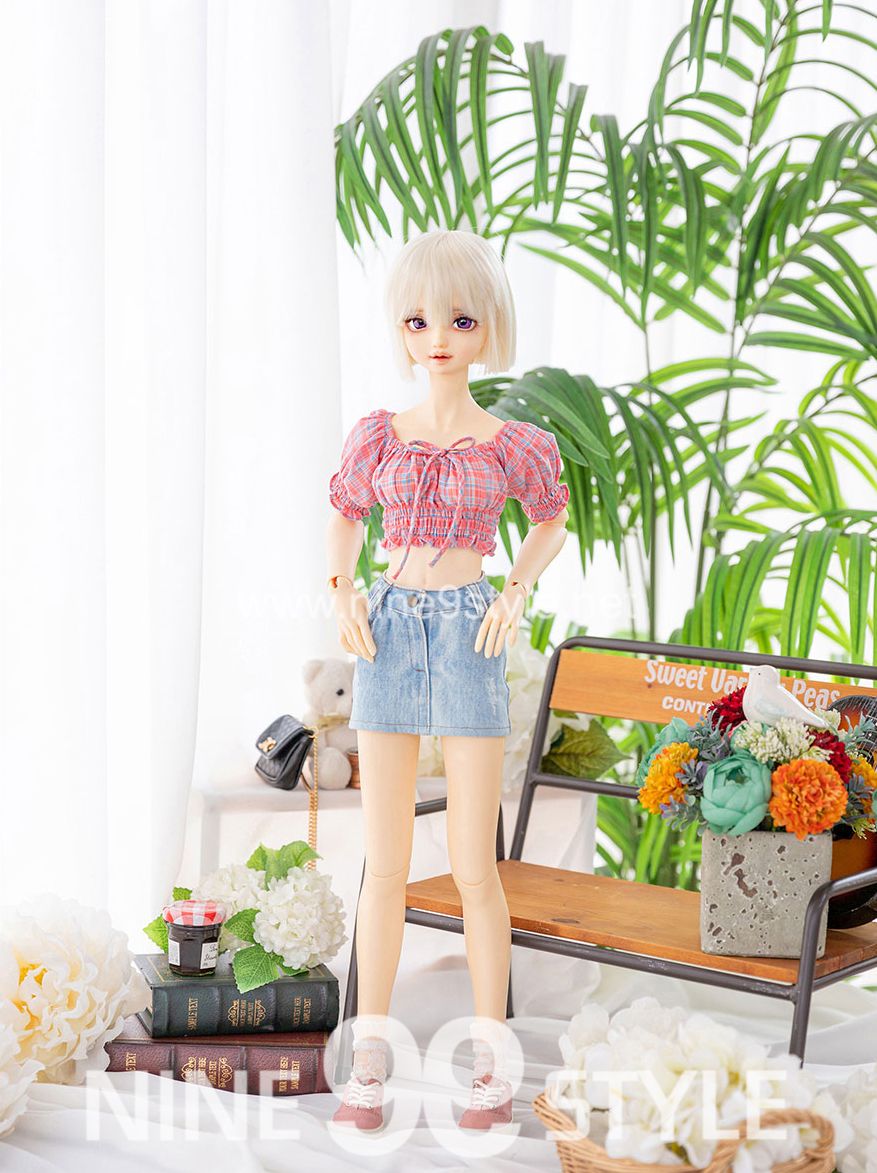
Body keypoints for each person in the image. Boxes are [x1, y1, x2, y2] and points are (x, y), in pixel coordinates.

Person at [325, 229, 569, 1134]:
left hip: (470, 628)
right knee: (384, 862)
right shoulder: (377, 436)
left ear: (487, 327)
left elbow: (549, 519)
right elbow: (345, 514)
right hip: (387, 628)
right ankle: (370, 1058)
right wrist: (342, 591)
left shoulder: (511, 443)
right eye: (418, 320)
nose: (437, 338)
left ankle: (488, 1061)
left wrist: (514, 588)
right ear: (400, 328)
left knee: (473, 864)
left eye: (460, 321)